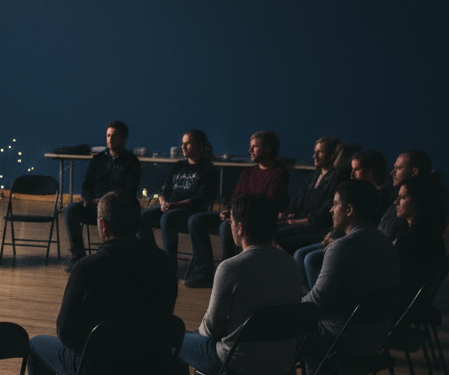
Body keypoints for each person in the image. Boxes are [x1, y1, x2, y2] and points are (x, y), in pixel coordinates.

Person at [25, 191, 178, 375]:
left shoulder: (87, 268)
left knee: (36, 347)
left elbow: (65, 332)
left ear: (103, 225)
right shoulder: (163, 264)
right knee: (134, 338)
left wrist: (92, 344)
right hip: (151, 372)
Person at [152, 194, 304, 375]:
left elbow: (210, 329)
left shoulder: (232, 268)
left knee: (175, 341)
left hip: (240, 369)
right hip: (282, 367)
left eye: (232, 221)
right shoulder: (290, 263)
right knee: (223, 344)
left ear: (240, 228)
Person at [269, 179, 401, 375]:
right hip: (377, 339)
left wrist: (283, 304)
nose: (331, 209)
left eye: (336, 204)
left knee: (279, 329)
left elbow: (316, 305)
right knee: (304, 311)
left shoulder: (343, 247)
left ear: (350, 210)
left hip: (344, 341)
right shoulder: (385, 242)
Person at [186, 130, 289, 286]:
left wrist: (235, 214)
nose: (249, 151)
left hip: (254, 220)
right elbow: (235, 196)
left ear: (268, 148)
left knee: (225, 228)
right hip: (236, 214)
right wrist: (227, 210)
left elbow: (266, 203)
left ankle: (228, 274)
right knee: (196, 220)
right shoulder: (248, 172)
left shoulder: (279, 173)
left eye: (254, 147)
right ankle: (205, 272)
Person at [292, 148, 391, 289]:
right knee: (300, 253)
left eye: (356, 170)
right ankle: (308, 293)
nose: (351, 175)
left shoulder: (379, 198)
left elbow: (363, 227)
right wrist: (332, 233)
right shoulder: (359, 191)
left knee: (311, 258)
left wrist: (338, 239)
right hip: (341, 237)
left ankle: (319, 300)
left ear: (370, 171)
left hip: (353, 243)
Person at [64, 121, 141, 267]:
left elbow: (129, 191)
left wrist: (106, 202)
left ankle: (115, 256)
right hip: (94, 206)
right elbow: (87, 184)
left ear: (124, 138)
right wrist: (88, 199)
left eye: (114, 136)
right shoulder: (98, 159)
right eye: (108, 135)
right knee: (70, 210)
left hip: (116, 209)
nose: (110, 139)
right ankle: (78, 254)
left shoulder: (132, 162)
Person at [136, 129, 216, 270]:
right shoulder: (179, 166)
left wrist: (175, 205)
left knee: (168, 218)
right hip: (170, 207)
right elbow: (164, 190)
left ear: (199, 146)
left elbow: (202, 198)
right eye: (182, 143)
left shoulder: (208, 169)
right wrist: (163, 202)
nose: (183, 147)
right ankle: (153, 256)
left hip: (191, 210)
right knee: (143, 217)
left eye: (188, 143)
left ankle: (170, 265)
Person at [272, 136, 347, 254]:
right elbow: (298, 200)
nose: (314, 156)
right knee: (266, 232)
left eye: (319, 152)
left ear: (332, 154)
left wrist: (293, 222)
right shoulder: (314, 176)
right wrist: (287, 214)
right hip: (299, 223)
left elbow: (323, 215)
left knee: (278, 238)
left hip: (317, 229)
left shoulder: (338, 178)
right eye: (314, 152)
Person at [392, 175, 449, 293]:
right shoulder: (430, 233)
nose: (396, 202)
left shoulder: (412, 240)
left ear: (418, 202)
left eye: (402, 197)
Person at [378, 149, 434, 241]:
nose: (392, 173)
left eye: (398, 168)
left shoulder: (412, 206)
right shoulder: (396, 197)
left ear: (414, 172)